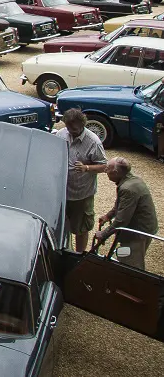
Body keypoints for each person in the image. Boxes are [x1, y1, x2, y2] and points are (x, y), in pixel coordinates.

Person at [55, 108, 107, 252]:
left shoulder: (93, 142)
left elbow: (104, 166)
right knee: (61, 226)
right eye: (68, 128)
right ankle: (63, 251)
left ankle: (79, 255)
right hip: (62, 193)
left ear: (83, 124)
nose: (71, 131)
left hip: (81, 194)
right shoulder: (61, 135)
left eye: (75, 129)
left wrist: (86, 168)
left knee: (81, 228)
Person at [95, 157, 158, 270]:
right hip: (144, 228)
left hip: (138, 233)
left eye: (108, 169)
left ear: (116, 172)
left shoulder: (127, 189)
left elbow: (121, 221)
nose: (105, 171)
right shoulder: (131, 180)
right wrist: (108, 216)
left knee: (130, 266)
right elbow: (120, 205)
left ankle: (133, 286)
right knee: (126, 259)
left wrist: (103, 234)